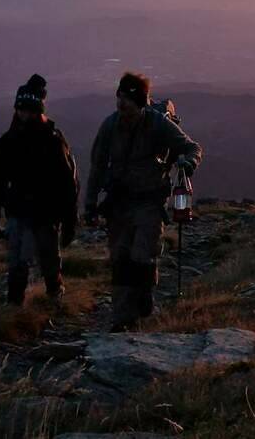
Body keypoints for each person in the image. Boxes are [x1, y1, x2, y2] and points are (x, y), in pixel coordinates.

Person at [86, 72, 203, 331]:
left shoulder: (158, 124)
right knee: (120, 258)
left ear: (141, 104)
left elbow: (192, 147)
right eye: (119, 103)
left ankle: (142, 298)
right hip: (118, 203)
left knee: (141, 254)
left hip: (149, 201)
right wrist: (89, 206)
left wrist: (189, 162)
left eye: (127, 106)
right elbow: (96, 167)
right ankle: (122, 319)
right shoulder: (109, 126)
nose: (123, 112)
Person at [0, 74, 79, 307]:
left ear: (37, 110)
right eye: (20, 109)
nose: (23, 114)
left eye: (28, 110)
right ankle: (16, 304)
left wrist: (69, 220)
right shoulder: (8, 142)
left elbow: (68, 183)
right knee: (18, 259)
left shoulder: (52, 141)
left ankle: (53, 296)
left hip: (46, 211)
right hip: (20, 209)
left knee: (48, 257)